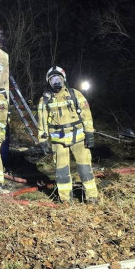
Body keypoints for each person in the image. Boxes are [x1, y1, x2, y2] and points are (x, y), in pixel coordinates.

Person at [36, 66, 98, 204]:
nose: (56, 82)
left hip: (79, 139)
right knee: (62, 172)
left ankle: (92, 197)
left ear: (64, 79)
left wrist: (89, 133)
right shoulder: (45, 100)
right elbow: (42, 121)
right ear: (49, 82)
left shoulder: (75, 94)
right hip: (59, 142)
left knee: (85, 168)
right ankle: (65, 199)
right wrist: (43, 140)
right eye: (53, 79)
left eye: (59, 78)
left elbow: (86, 114)